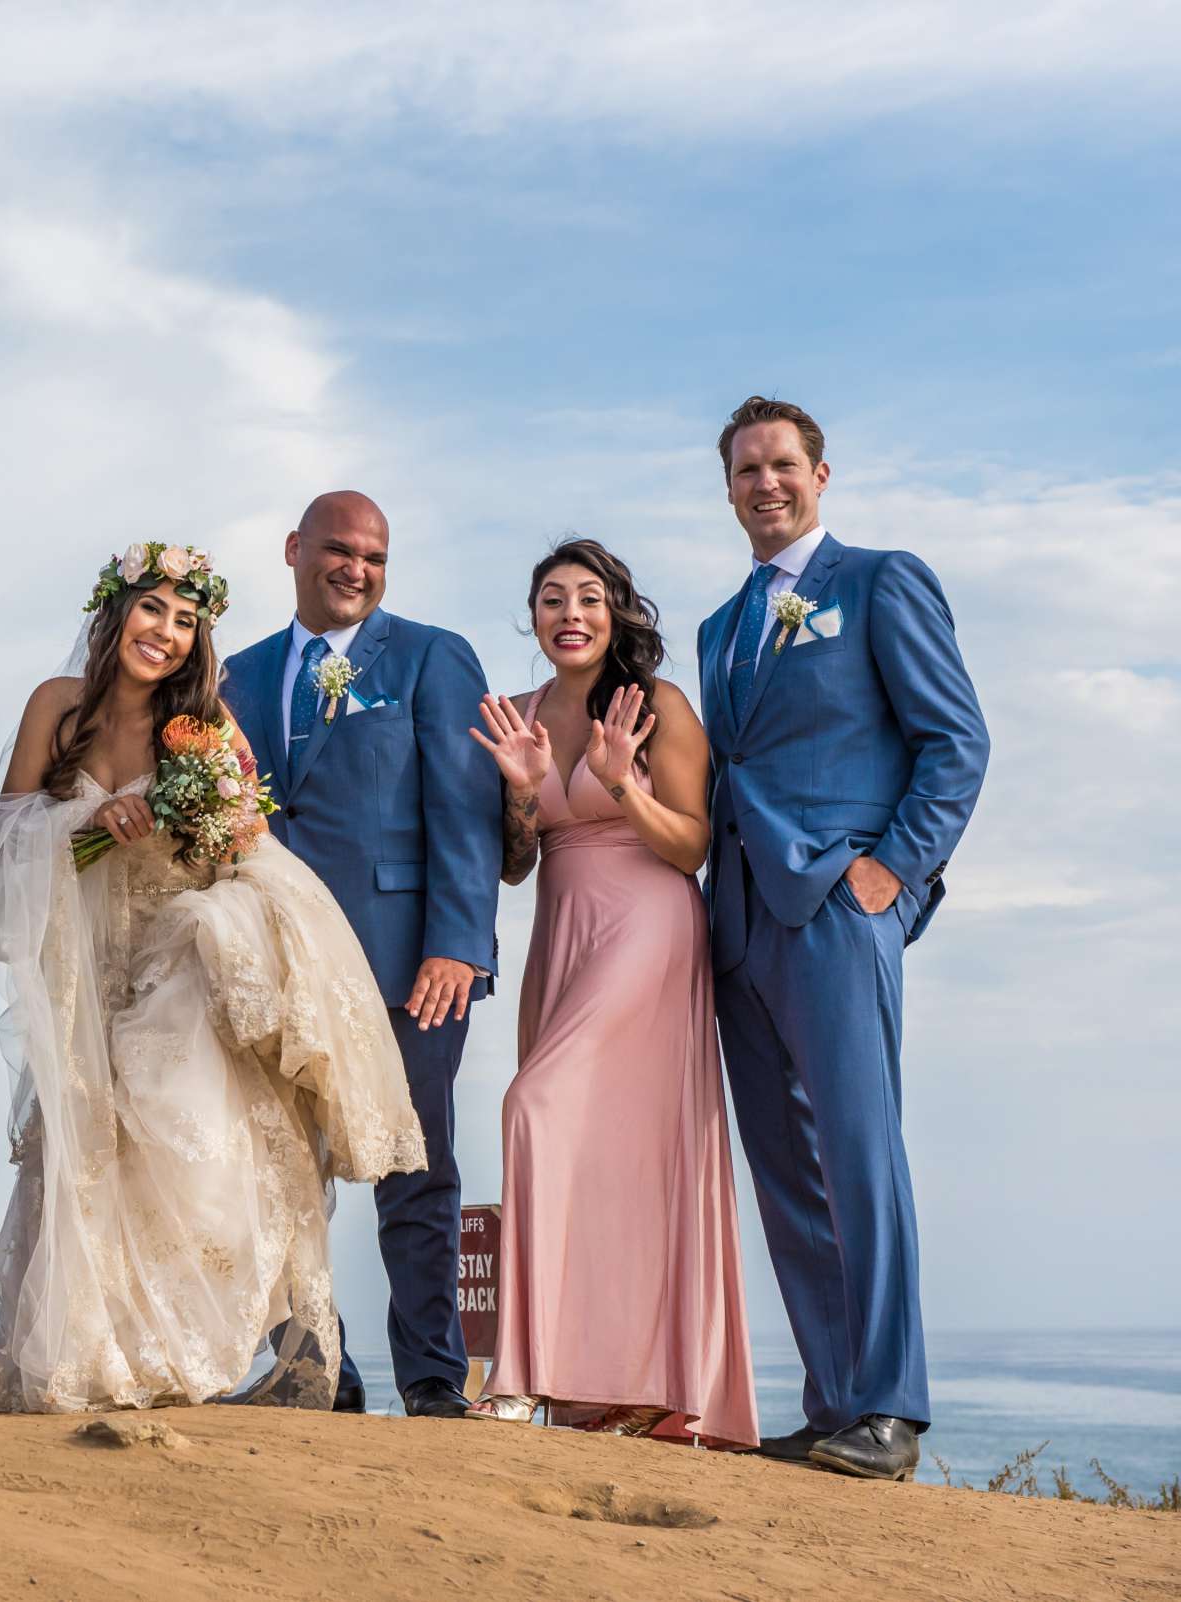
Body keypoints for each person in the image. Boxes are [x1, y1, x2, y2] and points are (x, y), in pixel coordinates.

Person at [0, 545, 426, 1412]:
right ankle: (101, 1358)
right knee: (92, 1149)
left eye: (185, 622)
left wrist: (205, 821)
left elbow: (244, 841)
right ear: (115, 612)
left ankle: (176, 1355)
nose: (167, 635)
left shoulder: (205, 727)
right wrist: (90, 820)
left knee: (182, 1129)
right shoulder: (55, 709)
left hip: (178, 959)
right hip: (87, 964)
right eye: (153, 611)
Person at [700, 397, 988, 1481]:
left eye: (781, 465)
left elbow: (955, 740)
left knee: (861, 1158)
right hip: (736, 926)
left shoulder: (881, 580)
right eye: (744, 471)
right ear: (726, 489)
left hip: (837, 910)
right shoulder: (721, 627)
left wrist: (892, 874)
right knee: (786, 1172)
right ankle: (833, 1406)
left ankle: (892, 1409)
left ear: (822, 476)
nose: (764, 484)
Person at [461, 539, 759, 1446]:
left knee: (533, 1107)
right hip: (563, 929)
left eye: (589, 597)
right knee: (598, 1156)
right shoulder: (515, 713)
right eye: (552, 599)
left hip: (649, 927)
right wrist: (519, 793)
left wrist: (624, 783)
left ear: (618, 610)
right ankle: (605, 1388)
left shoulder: (656, 704)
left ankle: (517, 1376)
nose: (570, 614)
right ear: (534, 616)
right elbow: (517, 866)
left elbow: (690, 845)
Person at [221, 491, 501, 1418]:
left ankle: (431, 1383)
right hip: (274, 965)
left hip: (402, 967)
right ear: (295, 549)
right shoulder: (238, 677)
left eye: (375, 558)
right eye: (339, 550)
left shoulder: (430, 657)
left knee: (413, 1170)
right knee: (275, 1171)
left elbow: (466, 810)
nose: (357, 570)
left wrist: (457, 945)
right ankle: (313, 1372)